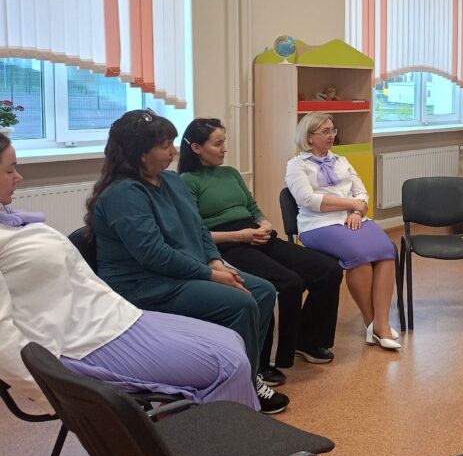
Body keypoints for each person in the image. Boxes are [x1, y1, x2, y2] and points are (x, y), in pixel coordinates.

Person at [0, 132, 257, 456]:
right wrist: (56, 391)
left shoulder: (11, 221)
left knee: (230, 342)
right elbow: (2, 338)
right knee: (226, 364)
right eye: (10, 170)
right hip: (84, 343)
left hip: (114, 317)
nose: (19, 178)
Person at [85, 109, 287, 414]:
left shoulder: (170, 180)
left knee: (263, 291)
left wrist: (215, 261)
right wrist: (209, 274)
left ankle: (247, 373)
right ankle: (237, 392)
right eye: (165, 146)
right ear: (141, 154)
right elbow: (153, 254)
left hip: (184, 271)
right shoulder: (123, 194)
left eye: (172, 143)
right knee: (241, 303)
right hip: (145, 285)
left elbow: (199, 227)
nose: (173, 152)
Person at [179, 118, 343, 383]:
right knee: (289, 283)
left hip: (255, 233)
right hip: (226, 244)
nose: (224, 149)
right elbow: (195, 233)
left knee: (328, 269)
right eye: (217, 144)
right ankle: (264, 363)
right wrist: (240, 235)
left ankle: (307, 341)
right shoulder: (187, 181)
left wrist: (264, 223)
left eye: (224, 142)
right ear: (196, 148)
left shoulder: (230, 173)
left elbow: (252, 208)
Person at [285, 113, 399, 350]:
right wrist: (351, 204)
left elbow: (362, 192)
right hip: (318, 224)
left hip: (352, 219)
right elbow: (308, 200)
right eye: (325, 131)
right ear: (309, 137)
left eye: (333, 130)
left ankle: (381, 323)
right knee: (360, 256)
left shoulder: (342, 160)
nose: (332, 135)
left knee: (387, 251)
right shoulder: (297, 165)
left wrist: (357, 211)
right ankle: (372, 323)